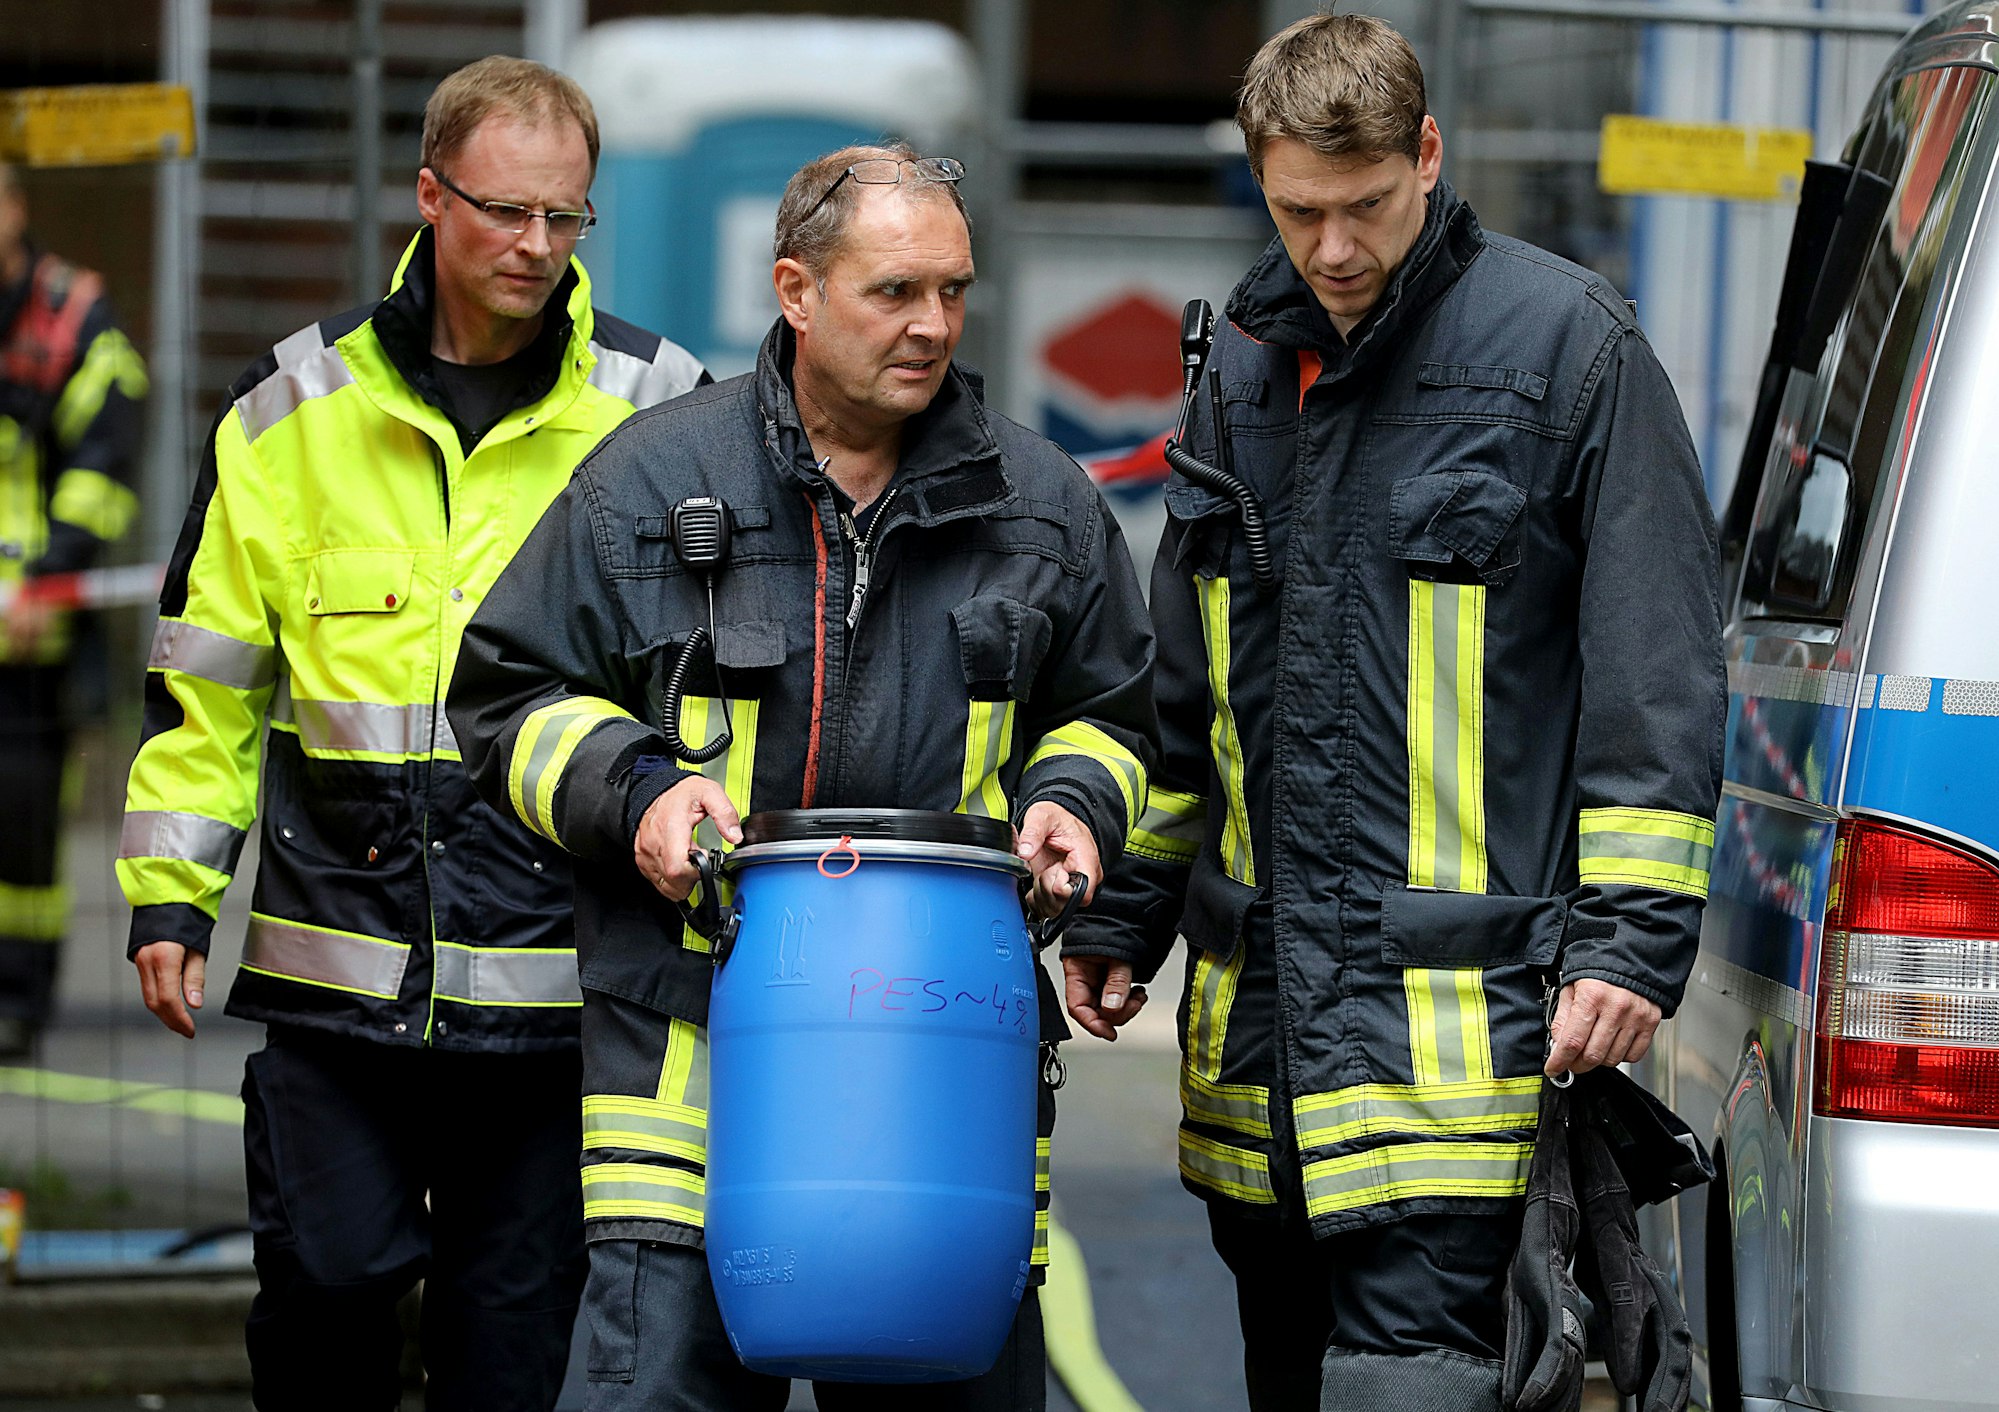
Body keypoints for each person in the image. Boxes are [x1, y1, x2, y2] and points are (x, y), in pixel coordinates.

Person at [1061, 14, 1726, 1412]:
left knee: (1408, 1388)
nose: (1335, 248)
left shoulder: (1567, 353)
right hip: (1260, 1070)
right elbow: (1190, 695)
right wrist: (1127, 913)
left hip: (1455, 1058)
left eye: (1364, 206)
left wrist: (1627, 940)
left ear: (1426, 154)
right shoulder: (1238, 365)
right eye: (1298, 211)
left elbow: (1653, 673)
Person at [447, 142, 1155, 1411]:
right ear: (795, 288)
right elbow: (512, 694)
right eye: (894, 292)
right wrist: (640, 791)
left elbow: (1112, 710)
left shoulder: (1039, 505)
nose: (932, 325)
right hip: (691, 1080)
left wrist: (1074, 805)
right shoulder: (650, 484)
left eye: (952, 290)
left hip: (939, 1082)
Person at [116, 57, 706, 1411]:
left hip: (563, 989)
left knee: (515, 1356)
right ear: (431, 199)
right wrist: (171, 892)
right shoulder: (289, 412)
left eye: (566, 218)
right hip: (336, 982)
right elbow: (210, 680)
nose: (537, 247)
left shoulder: (660, 405)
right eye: (505, 212)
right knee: (323, 1303)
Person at [0, 163, 147, 1056]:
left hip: (31, 632)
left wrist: (50, 576)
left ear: (16, 209)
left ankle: (16, 1001)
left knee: (21, 831)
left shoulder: (71, 320)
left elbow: (104, 463)